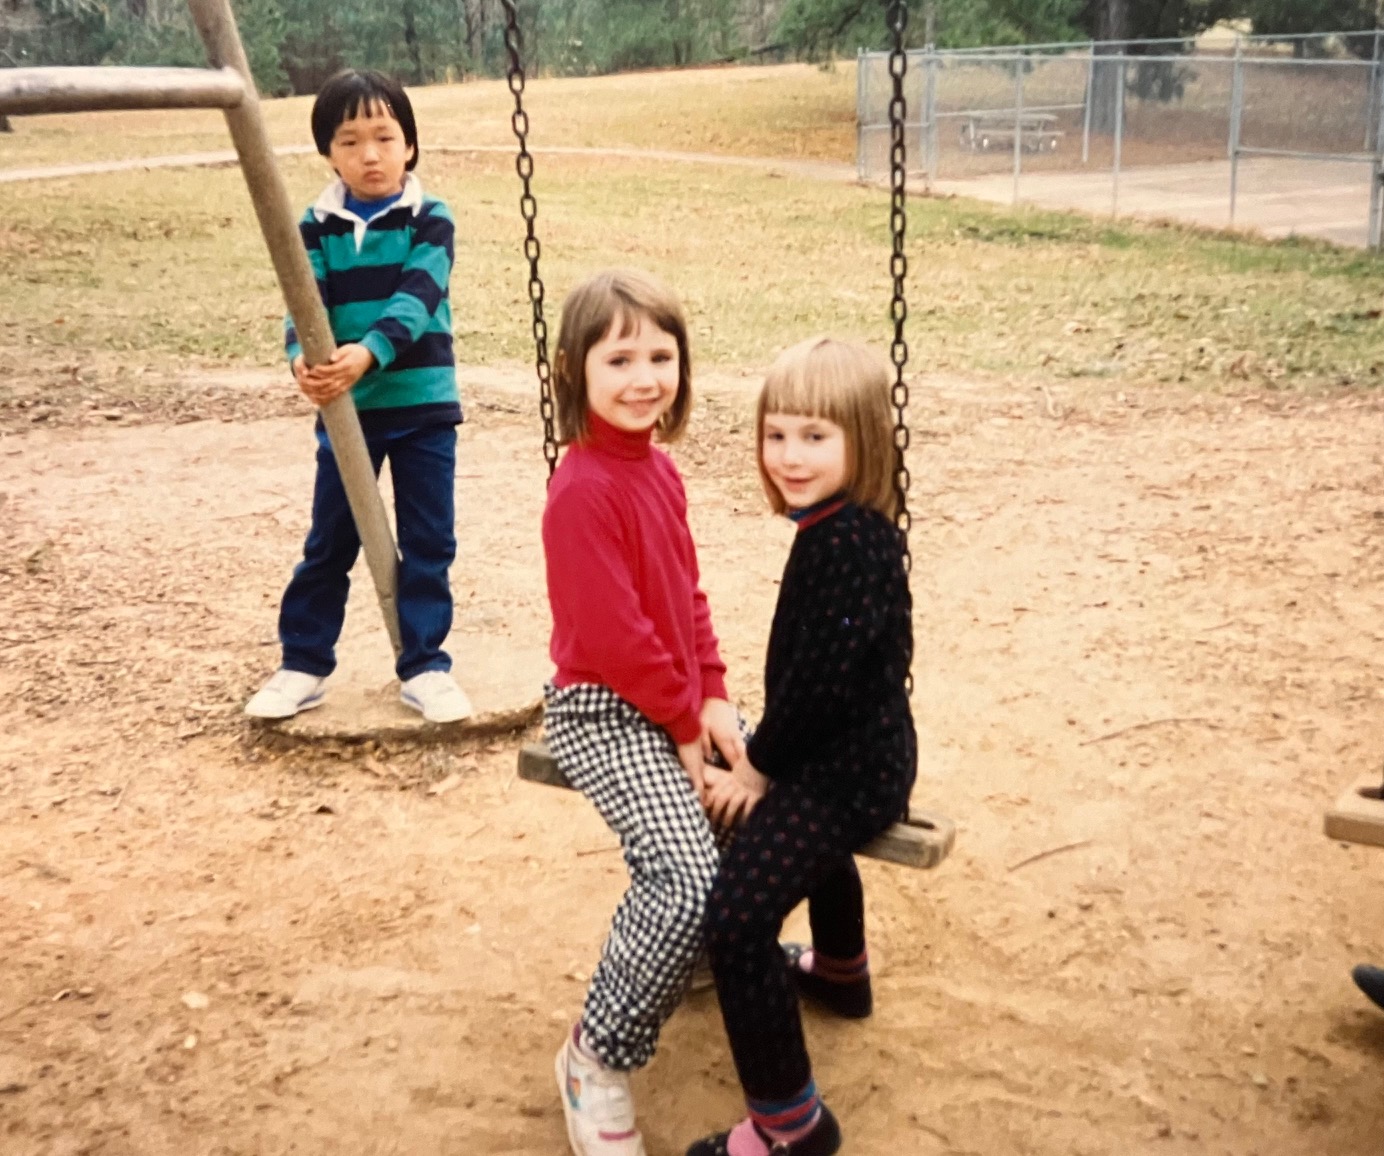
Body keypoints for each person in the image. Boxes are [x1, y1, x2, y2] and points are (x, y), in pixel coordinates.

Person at [688, 338, 917, 1156]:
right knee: (807, 848)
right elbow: (819, 688)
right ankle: (840, 972)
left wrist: (758, 765)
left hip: (846, 771)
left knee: (740, 920)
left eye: (815, 437)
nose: (789, 456)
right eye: (775, 435)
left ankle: (791, 1126)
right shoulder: (837, 528)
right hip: (853, 754)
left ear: (863, 440)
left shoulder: (848, 543)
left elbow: (817, 690)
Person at [542, 269, 744, 1156]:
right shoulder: (582, 489)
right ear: (574, 373)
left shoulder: (660, 471)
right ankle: (597, 1056)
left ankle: (702, 962)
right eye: (618, 357)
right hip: (601, 709)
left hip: (668, 699)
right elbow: (618, 637)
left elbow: (686, 596)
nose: (643, 377)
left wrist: (716, 697)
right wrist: (683, 728)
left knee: (757, 791)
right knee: (684, 875)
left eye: (660, 355)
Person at [244, 69, 472, 724]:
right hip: (349, 413)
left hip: (423, 406)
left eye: (384, 137)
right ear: (328, 152)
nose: (369, 155)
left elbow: (418, 300)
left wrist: (366, 353)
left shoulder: (431, 218)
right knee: (330, 541)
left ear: (410, 146)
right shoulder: (315, 227)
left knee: (429, 540)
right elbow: (303, 301)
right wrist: (302, 361)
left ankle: (425, 667)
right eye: (349, 141)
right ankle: (304, 664)